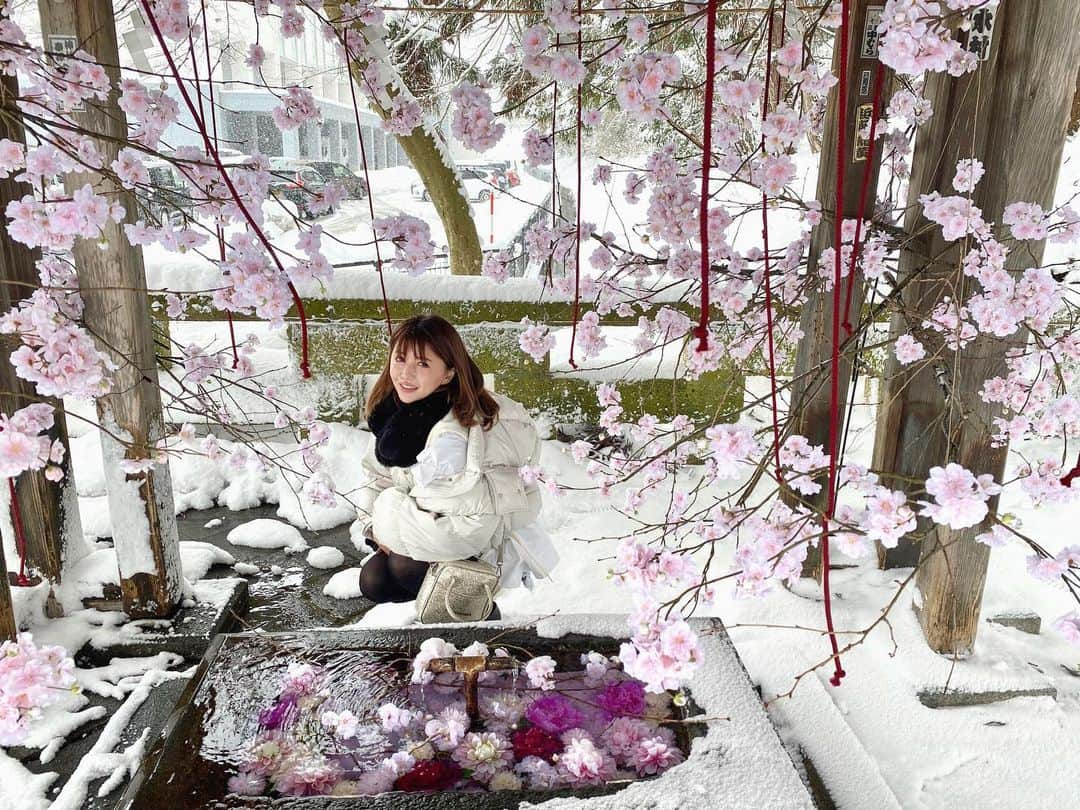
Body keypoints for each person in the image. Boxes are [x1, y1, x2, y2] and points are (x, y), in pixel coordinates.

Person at [354, 314, 557, 619]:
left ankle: (475, 609)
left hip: (472, 538)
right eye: (399, 359)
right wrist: (375, 530)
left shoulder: (462, 428)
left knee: (403, 566)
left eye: (423, 364)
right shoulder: (393, 413)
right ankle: (447, 609)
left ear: (448, 374)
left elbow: (471, 519)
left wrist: (392, 526)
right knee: (374, 580)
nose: (405, 374)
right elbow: (377, 475)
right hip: (421, 527)